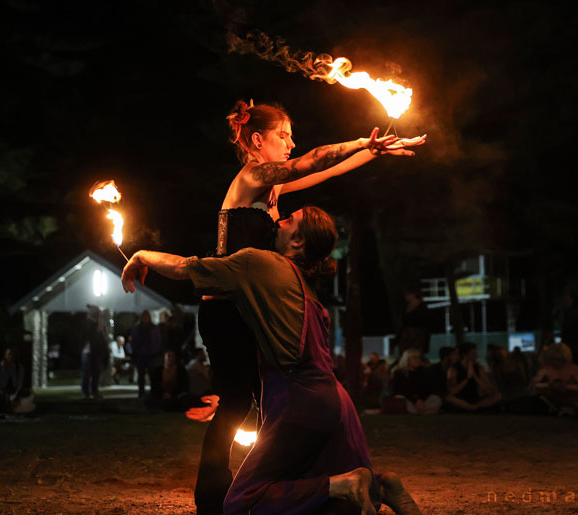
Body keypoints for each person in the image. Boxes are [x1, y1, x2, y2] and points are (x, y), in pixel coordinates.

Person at [192, 99, 427, 514]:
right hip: (225, 311)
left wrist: (369, 153)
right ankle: (212, 498)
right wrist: (359, 139)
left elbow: (325, 169)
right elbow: (314, 159)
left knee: (263, 400)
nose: (292, 143)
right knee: (234, 402)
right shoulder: (253, 174)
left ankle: (289, 484)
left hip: (250, 310)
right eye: (284, 135)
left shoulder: (272, 188)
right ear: (257, 140)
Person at [121, 206, 421, 515]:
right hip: (336, 401)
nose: (278, 221)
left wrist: (142, 255)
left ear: (298, 242)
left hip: (301, 398)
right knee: (330, 504)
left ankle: (342, 484)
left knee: (244, 501)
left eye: (289, 220)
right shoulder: (305, 285)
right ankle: (381, 486)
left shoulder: (259, 263)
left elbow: (185, 267)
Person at [444, 342, 501, 412]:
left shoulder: (479, 368)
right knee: (448, 398)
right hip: (460, 400)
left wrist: (475, 377)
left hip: (476, 400)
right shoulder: (454, 369)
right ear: (464, 355)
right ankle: (472, 408)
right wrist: (467, 378)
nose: (476, 356)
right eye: (473, 354)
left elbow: (489, 390)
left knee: (497, 396)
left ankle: (473, 408)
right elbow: (452, 392)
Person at [389, 349, 441, 414]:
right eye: (414, 358)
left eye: (419, 358)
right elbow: (399, 391)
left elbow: (428, 389)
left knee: (436, 398)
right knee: (399, 398)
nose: (418, 360)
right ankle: (423, 412)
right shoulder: (399, 373)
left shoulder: (423, 372)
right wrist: (415, 400)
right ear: (407, 359)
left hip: (422, 401)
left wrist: (420, 400)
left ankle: (422, 411)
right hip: (409, 400)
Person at [131, 310, 162, 399]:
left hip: (151, 355)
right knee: (141, 376)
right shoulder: (138, 328)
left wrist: (154, 351)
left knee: (152, 375)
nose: (145, 318)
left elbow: (157, 341)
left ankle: (152, 393)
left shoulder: (153, 328)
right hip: (141, 355)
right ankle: (141, 393)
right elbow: (134, 341)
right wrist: (136, 351)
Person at [81, 306, 108, 399]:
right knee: (87, 374)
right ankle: (86, 392)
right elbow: (87, 334)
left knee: (96, 373)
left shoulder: (98, 324)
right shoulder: (88, 323)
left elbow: (103, 338)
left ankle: (94, 391)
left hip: (96, 352)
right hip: (88, 352)